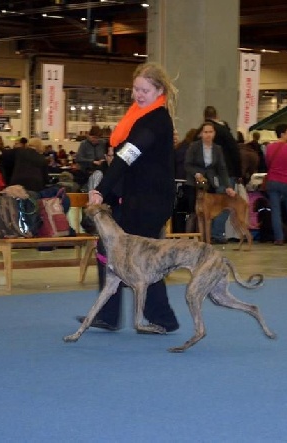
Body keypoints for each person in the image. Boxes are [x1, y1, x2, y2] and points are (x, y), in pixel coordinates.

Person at [80, 62, 180, 333]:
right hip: (134, 197)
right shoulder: (137, 116)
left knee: (138, 259)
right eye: (136, 89)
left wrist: (101, 188)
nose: (138, 94)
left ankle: (163, 318)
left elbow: (128, 155)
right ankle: (111, 315)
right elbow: (124, 158)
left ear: (159, 90)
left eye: (144, 90)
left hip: (151, 202)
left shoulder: (156, 119)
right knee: (111, 251)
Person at [184, 121, 237, 240]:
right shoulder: (194, 146)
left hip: (210, 184)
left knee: (209, 215)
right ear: (201, 134)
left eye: (210, 132)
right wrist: (196, 174)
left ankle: (207, 240)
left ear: (214, 134)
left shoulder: (217, 149)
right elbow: (187, 165)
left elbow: (222, 168)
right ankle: (192, 240)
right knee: (194, 213)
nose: (208, 134)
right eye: (205, 132)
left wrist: (228, 186)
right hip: (194, 183)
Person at [264, 123, 287, 245]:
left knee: (275, 211)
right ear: (282, 134)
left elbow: (268, 164)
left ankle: (279, 238)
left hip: (273, 181)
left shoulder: (269, 147)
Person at [202, 106, 241, 184]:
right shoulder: (224, 131)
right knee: (224, 195)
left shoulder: (200, 131)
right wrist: (238, 173)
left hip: (206, 174)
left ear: (204, 117)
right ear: (216, 116)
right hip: (225, 172)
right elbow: (234, 150)